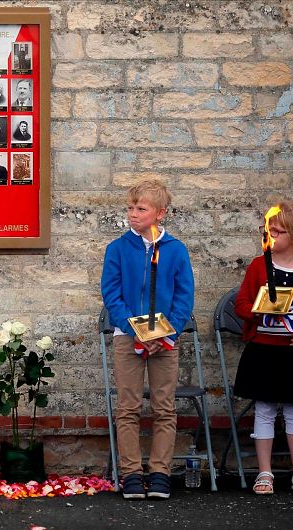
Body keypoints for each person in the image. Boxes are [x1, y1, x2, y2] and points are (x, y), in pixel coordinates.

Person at [100, 179, 194, 500]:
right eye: (130, 207)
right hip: (128, 338)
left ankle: (159, 473)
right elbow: (112, 294)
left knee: (164, 408)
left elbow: (184, 297)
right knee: (128, 408)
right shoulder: (117, 249)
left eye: (141, 208)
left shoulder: (176, 250)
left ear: (160, 213)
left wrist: (166, 332)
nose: (133, 214)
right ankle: (131, 473)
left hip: (164, 341)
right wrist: (136, 328)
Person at [233, 202, 293, 496]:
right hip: (263, 350)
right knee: (263, 410)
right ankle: (265, 472)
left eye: (279, 231)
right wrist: (258, 311)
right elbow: (241, 304)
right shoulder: (257, 266)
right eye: (269, 230)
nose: (272, 234)